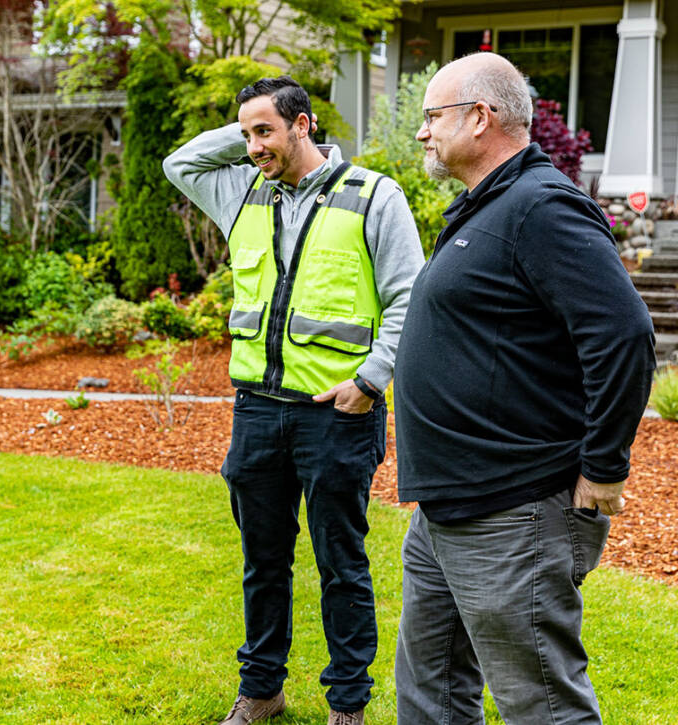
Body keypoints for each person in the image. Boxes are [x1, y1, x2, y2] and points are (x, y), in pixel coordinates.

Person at [392, 53, 656, 724]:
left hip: (512, 511)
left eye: (432, 116)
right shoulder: (488, 205)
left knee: (541, 703)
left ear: (479, 118)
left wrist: (604, 466)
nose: (422, 132)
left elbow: (622, 333)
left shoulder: (541, 206)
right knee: (431, 692)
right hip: (447, 508)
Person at [164, 76, 423, 725]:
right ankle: (261, 689)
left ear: (303, 124)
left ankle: (347, 702)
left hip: (337, 411)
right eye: (246, 134)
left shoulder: (373, 197)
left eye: (265, 132)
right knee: (263, 559)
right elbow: (179, 163)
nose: (253, 147)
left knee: (341, 559)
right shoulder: (242, 193)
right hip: (256, 410)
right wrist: (251, 122)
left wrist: (370, 382)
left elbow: (409, 297)